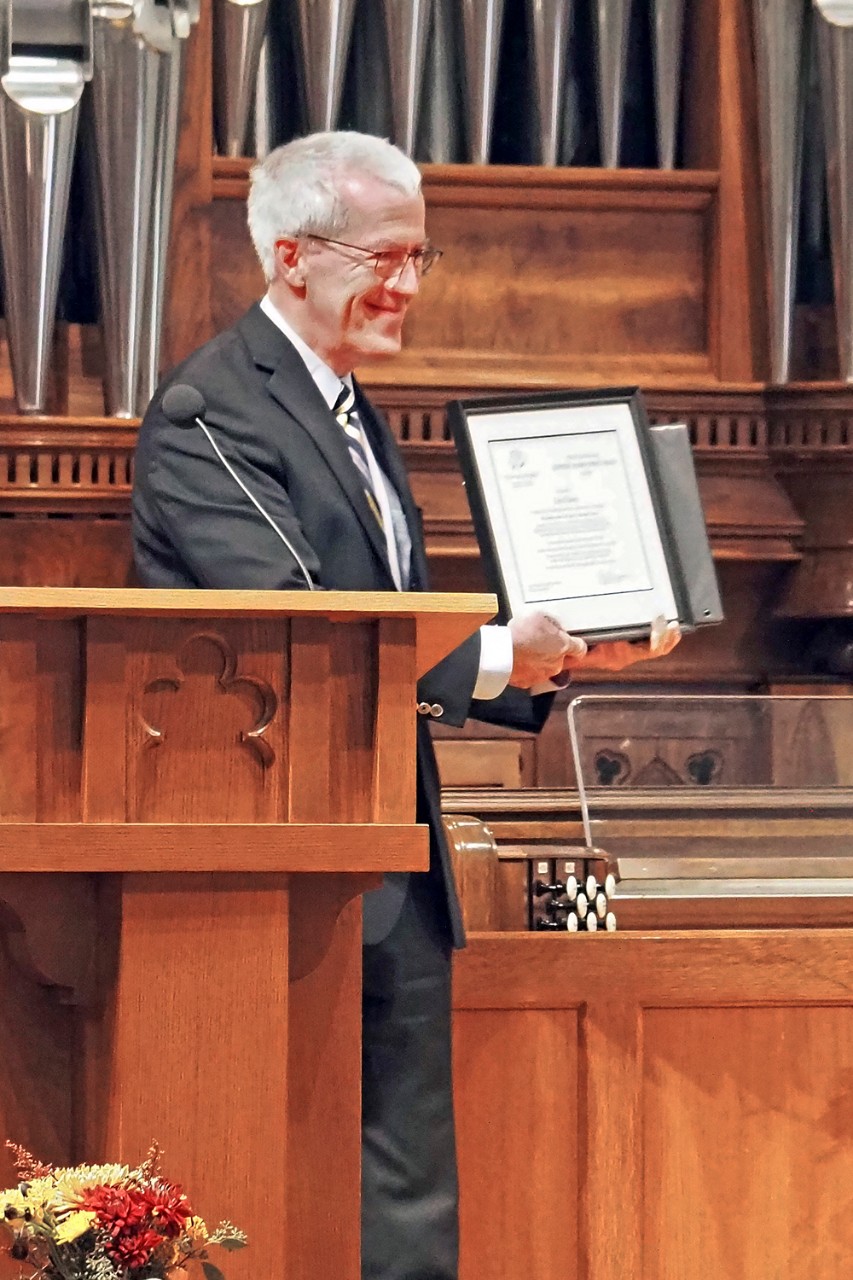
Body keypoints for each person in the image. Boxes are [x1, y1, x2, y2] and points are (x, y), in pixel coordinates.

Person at [131, 130, 678, 1280]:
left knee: (403, 1193)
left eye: (423, 256)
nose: (409, 286)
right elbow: (299, 623)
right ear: (290, 255)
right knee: (253, 1183)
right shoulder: (209, 411)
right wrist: (494, 653)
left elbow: (401, 625)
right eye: (388, 255)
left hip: (386, 852)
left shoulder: (348, 413)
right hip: (267, 875)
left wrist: (564, 659)